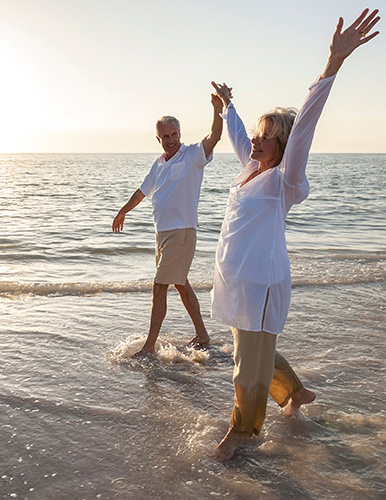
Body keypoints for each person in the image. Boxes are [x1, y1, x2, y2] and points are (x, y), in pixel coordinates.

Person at [210, 9, 380, 461]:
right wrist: (228, 105)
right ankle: (296, 393)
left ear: (283, 145)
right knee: (250, 349)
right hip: (239, 282)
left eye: (267, 137)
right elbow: (237, 136)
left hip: (262, 283)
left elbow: (304, 126)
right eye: (257, 135)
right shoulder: (249, 170)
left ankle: (242, 433)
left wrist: (332, 65)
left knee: (247, 365)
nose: (256, 141)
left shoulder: (284, 180)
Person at [112, 93, 223, 357]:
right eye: (166, 136)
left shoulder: (193, 155)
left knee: (159, 285)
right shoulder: (158, 164)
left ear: (180, 134)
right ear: (159, 139)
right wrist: (122, 212)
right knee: (181, 285)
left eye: (175, 134)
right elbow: (141, 192)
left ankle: (149, 345)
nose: (171, 140)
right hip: (162, 234)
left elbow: (214, 136)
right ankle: (203, 335)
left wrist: (217, 109)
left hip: (182, 232)